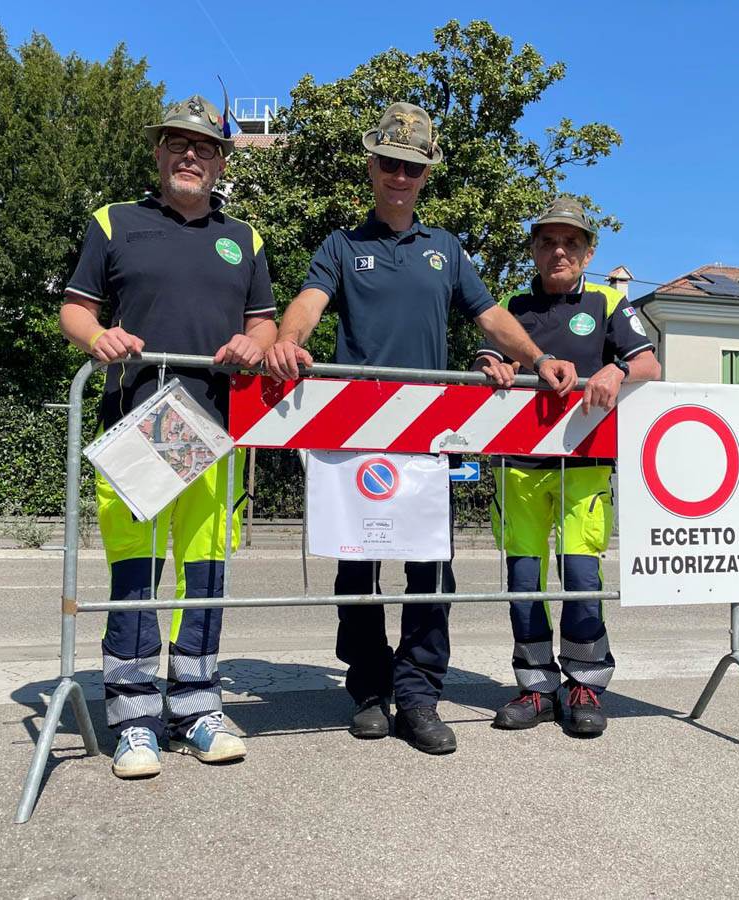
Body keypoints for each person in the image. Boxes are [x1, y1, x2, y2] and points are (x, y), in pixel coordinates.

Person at [265, 101, 577, 754]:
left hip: (428, 439)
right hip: (354, 438)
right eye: (390, 163)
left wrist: (538, 358)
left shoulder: (446, 250)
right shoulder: (341, 245)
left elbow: (490, 316)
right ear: (372, 166)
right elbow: (308, 303)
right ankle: (368, 690)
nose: (400, 176)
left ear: (426, 174)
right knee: (358, 569)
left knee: (432, 572)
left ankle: (417, 695)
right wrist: (289, 342)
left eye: (412, 166)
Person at [60, 95, 277, 778]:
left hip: (212, 430)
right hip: (138, 427)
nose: (191, 155)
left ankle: (197, 707)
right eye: (179, 143)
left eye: (205, 147)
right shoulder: (115, 222)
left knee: (205, 575)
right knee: (137, 576)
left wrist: (255, 341)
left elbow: (264, 322)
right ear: (158, 152)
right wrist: (98, 337)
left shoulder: (244, 237)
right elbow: (75, 309)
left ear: (221, 162)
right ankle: (133, 718)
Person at [473, 196, 661, 736]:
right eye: (548, 242)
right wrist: (488, 362)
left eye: (571, 243)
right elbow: (489, 354)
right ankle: (535, 686)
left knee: (581, 577)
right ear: (534, 249)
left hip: (585, 465)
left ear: (588, 252)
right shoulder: (512, 303)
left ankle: (585, 684)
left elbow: (649, 362)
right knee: (523, 580)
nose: (559, 251)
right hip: (518, 466)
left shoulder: (608, 301)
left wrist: (616, 369)